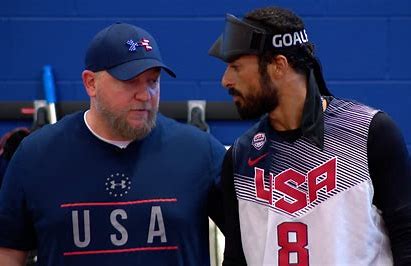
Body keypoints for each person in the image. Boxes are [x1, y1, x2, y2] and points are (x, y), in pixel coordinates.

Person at [0, 22, 226, 266]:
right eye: (130, 82)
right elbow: (9, 251)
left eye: (153, 81)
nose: (145, 95)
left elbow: (251, 239)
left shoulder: (200, 153)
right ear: (90, 83)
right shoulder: (35, 156)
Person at [209, 6, 411, 266]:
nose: (225, 80)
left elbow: (407, 238)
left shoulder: (370, 132)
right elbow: (236, 259)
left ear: (278, 66)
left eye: (236, 67)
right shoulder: (240, 156)